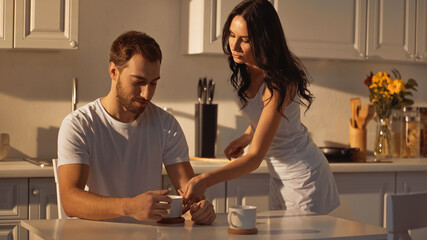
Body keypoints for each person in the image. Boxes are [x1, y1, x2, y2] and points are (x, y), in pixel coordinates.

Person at [180, 0, 340, 214]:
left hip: (304, 177)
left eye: (245, 40)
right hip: (279, 177)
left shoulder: (280, 83)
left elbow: (254, 158)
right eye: (231, 35)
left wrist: (205, 180)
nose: (234, 46)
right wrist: (247, 136)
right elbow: (263, 117)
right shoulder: (247, 70)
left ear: (264, 40)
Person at [57, 31, 215, 224]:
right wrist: (130, 207)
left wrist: (201, 209)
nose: (146, 93)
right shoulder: (79, 125)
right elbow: (70, 201)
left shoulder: (166, 124)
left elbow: (190, 195)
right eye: (138, 82)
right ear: (114, 71)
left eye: (153, 83)